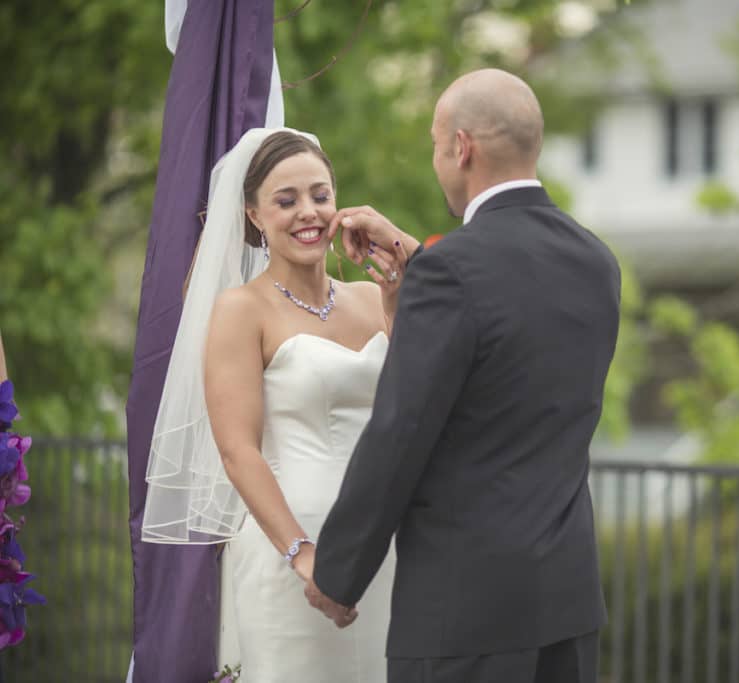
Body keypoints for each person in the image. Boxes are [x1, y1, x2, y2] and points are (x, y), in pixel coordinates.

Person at [305, 68, 620, 683]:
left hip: (466, 613)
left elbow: (401, 431)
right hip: (567, 603)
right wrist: (418, 263)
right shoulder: (595, 261)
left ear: (461, 146)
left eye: (433, 142)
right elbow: (512, 325)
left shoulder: (452, 274)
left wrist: (339, 573)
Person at [141, 128, 405, 682]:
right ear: (255, 215)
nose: (307, 212)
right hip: (294, 549)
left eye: (320, 195)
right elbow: (238, 452)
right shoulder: (241, 310)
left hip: (387, 546)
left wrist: (400, 300)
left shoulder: (371, 297)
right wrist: (302, 554)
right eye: (286, 201)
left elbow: (412, 406)